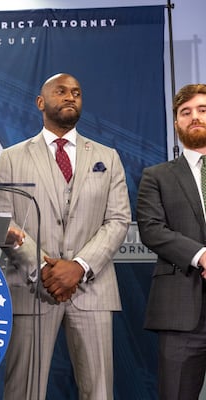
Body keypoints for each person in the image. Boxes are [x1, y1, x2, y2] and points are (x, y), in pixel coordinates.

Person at [0, 73, 131, 400]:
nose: (70, 96)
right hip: (31, 287)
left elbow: (119, 219)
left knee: (98, 392)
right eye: (61, 91)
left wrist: (79, 266)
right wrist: (43, 269)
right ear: (41, 103)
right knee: (22, 391)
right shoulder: (11, 158)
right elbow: (2, 221)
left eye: (77, 92)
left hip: (93, 288)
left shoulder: (107, 157)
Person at [137, 83, 206, 400]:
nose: (195, 117)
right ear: (177, 123)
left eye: (202, 110)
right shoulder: (157, 176)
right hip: (181, 313)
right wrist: (201, 256)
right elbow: (151, 229)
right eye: (186, 112)